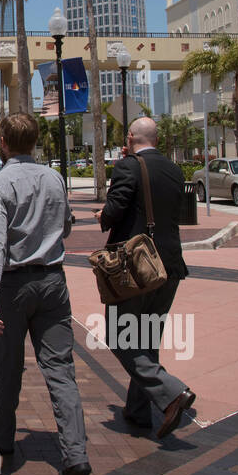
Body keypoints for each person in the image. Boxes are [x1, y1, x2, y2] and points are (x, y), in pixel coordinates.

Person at [0, 112, 91, 475]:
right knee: (60, 368)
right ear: (35, 142)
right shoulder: (54, 179)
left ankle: (3, 437)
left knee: (7, 367)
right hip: (53, 281)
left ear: (2, 143)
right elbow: (66, 224)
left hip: (12, 286)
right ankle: (75, 453)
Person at [95, 116, 195, 440]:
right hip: (170, 267)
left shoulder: (128, 166)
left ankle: (171, 391)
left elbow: (114, 210)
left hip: (137, 268)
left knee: (119, 336)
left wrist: (102, 214)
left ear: (131, 138)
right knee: (147, 338)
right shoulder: (175, 169)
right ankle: (138, 411)